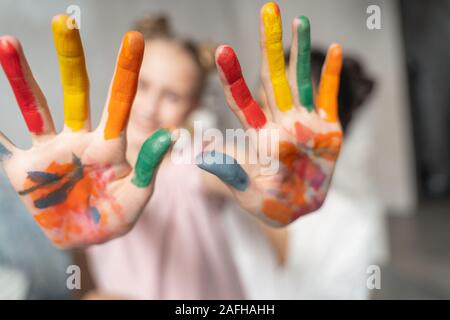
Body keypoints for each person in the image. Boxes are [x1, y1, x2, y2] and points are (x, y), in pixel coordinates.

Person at [0, 2, 344, 299]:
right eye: (144, 86)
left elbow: (236, 164)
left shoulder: (194, 158)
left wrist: (276, 171)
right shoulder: (86, 179)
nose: (150, 107)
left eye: (172, 96)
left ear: (193, 106)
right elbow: (89, 278)